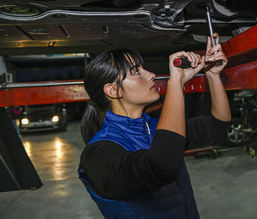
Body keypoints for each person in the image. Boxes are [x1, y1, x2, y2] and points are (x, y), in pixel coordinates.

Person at [78, 33, 231, 219]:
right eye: (136, 72)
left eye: (144, 69)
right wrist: (175, 82)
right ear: (113, 90)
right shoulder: (98, 154)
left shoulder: (154, 128)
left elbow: (217, 127)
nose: (151, 75)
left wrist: (212, 75)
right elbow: (161, 166)